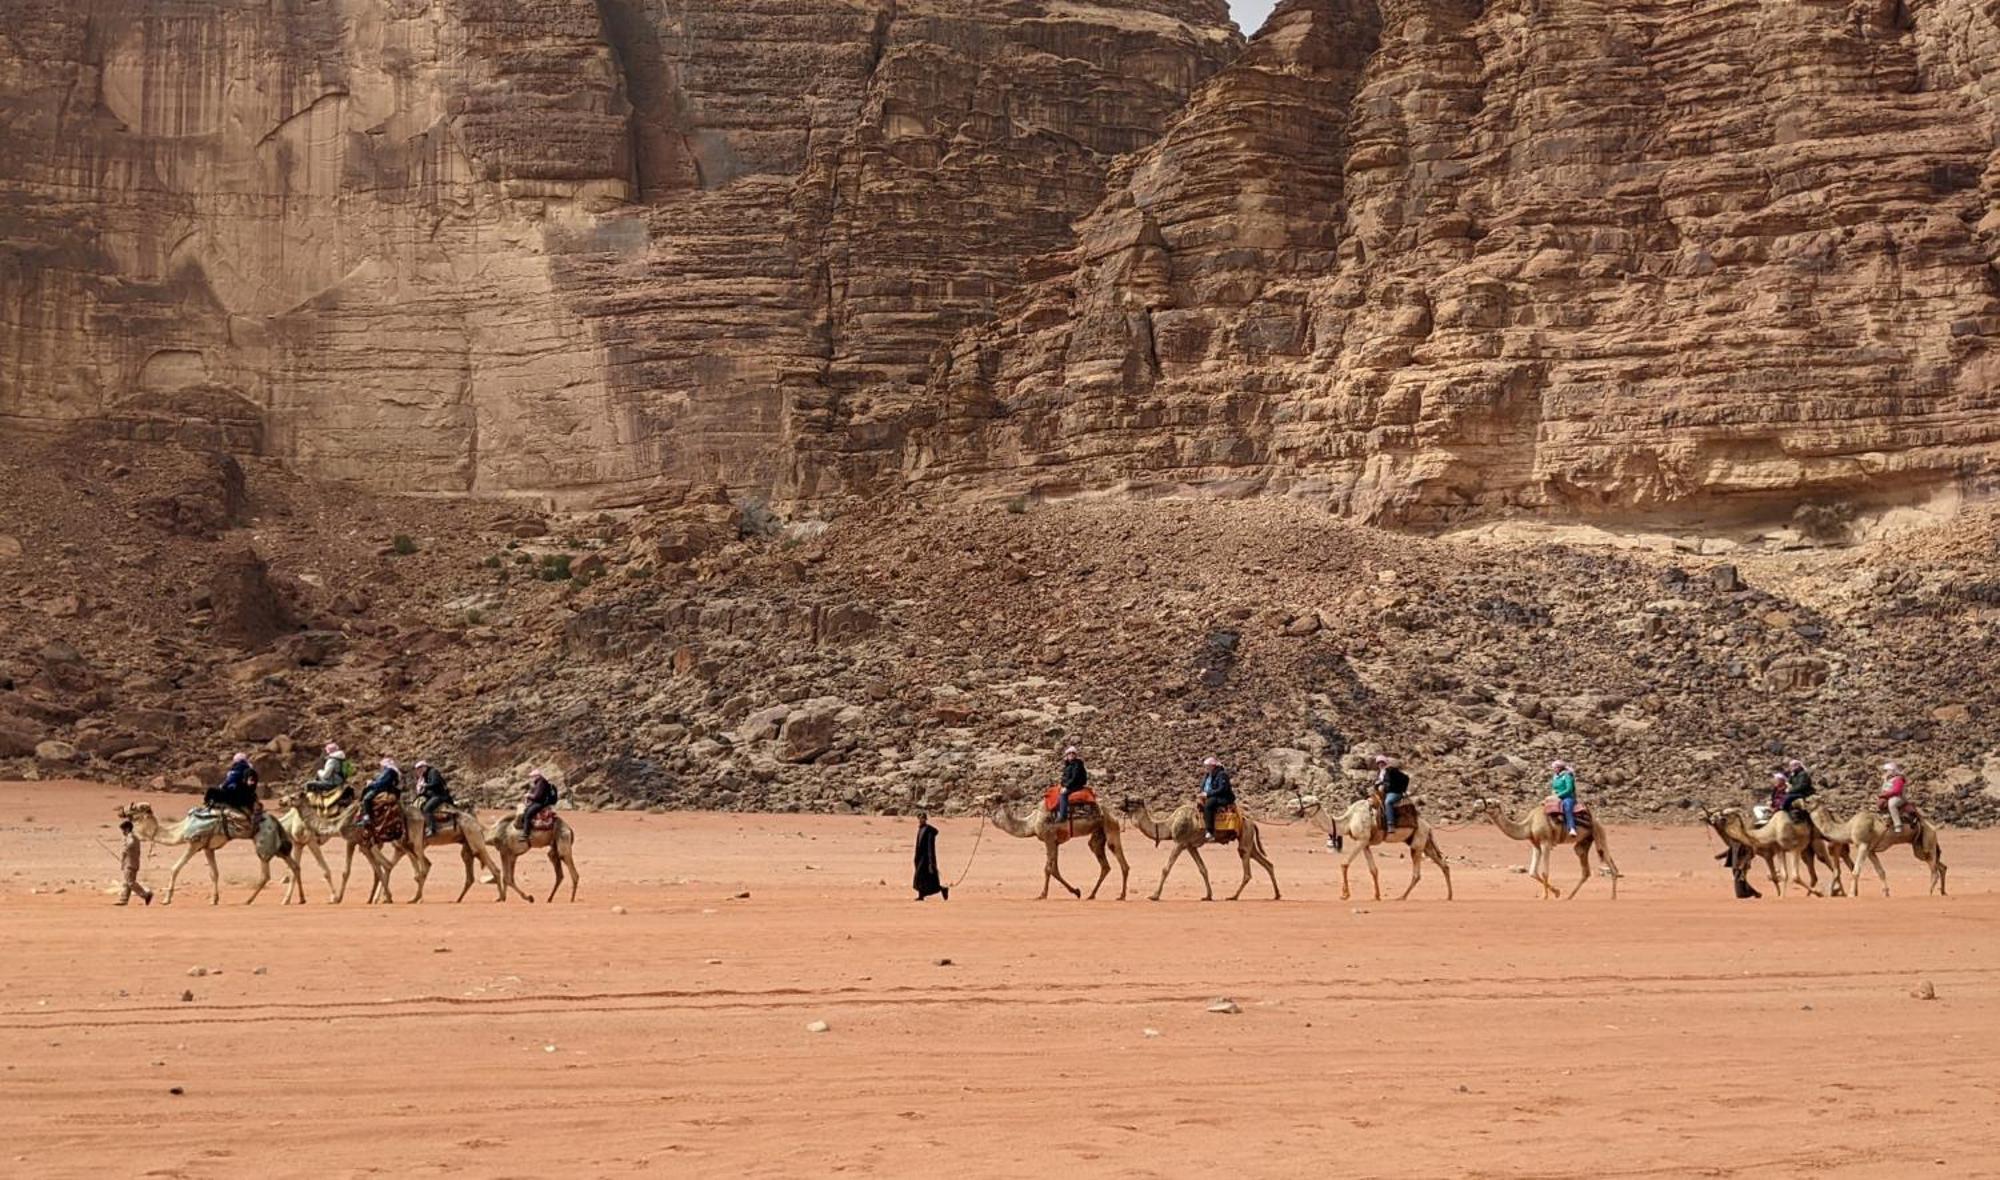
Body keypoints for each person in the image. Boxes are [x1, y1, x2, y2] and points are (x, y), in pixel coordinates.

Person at [115, 818, 153, 906]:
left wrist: (125, 849)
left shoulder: (131, 837)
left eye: (123, 830)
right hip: (131, 863)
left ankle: (146, 895)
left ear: (127, 829)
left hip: (130, 864)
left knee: (131, 882)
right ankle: (123, 900)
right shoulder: (133, 837)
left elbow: (130, 844)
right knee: (127, 882)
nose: (123, 832)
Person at [913, 811, 948, 901]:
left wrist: (931, 862)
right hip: (920, 858)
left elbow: (930, 847)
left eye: (923, 818)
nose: (921, 820)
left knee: (929, 880)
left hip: (926, 859)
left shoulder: (929, 831)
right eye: (920, 818)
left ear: (925, 819)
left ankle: (942, 889)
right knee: (920, 877)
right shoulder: (920, 829)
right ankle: (921, 895)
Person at [1199, 756, 1234, 842]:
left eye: (1208, 766)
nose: (1206, 768)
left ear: (1213, 766)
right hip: (1211, 796)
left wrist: (1207, 794)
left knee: (1208, 805)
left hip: (1223, 797)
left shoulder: (1222, 775)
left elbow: (1222, 789)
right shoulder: (1208, 775)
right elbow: (1203, 786)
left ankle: (1210, 832)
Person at [415, 760, 454, 836]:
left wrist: (425, 785)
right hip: (433, 795)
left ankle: (432, 828)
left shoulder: (433, 772)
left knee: (427, 809)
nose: (419, 771)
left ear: (424, 767)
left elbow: (435, 783)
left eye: (420, 768)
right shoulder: (425, 775)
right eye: (418, 769)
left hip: (440, 795)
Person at [1375, 754, 1410, 833]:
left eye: (1382, 762)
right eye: (1378, 763)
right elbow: (1380, 783)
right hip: (1383, 793)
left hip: (1394, 792)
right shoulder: (1379, 773)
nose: (1380, 764)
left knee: (1388, 802)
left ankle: (1391, 824)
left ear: (1385, 763)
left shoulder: (1392, 770)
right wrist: (1377, 785)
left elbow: (1406, 778)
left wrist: (1403, 790)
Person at [519, 770, 558, 836]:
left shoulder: (541, 783)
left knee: (528, 814)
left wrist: (529, 795)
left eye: (532, 776)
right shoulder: (539, 782)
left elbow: (537, 796)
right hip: (540, 801)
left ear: (537, 776)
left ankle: (526, 833)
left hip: (541, 802)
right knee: (526, 811)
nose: (531, 778)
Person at [1055, 746, 1088, 821]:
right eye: (1069, 753)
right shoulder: (1068, 764)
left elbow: (1074, 777)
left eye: (1073, 753)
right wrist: (1062, 784)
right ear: (1067, 755)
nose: (1071, 754)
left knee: (1063, 794)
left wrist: (1066, 787)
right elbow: (1065, 777)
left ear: (1075, 755)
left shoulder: (1077, 764)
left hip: (1076, 785)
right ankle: (1058, 813)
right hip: (1071, 785)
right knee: (1057, 792)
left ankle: (1063, 816)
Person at [1549, 760, 1579, 837]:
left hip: (1567, 797)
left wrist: (1558, 795)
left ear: (1559, 768)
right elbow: (1554, 788)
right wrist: (1553, 793)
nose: (1554, 769)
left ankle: (1572, 828)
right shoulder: (1555, 777)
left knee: (1567, 807)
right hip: (1557, 797)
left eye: (1555, 767)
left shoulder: (1567, 776)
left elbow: (1569, 789)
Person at [1879, 761, 1908, 832]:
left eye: (1887, 770)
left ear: (1892, 770)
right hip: (1889, 796)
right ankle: (1887, 818)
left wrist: (1885, 795)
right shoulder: (1887, 779)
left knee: (1892, 804)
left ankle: (1898, 824)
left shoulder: (1898, 779)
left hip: (1898, 797)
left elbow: (1896, 791)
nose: (1886, 772)